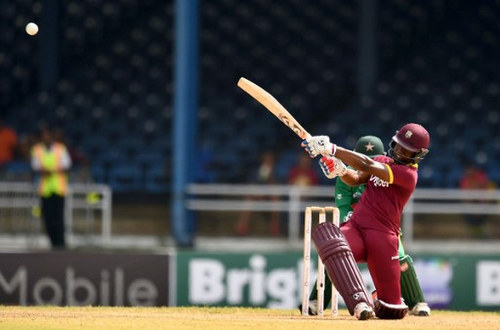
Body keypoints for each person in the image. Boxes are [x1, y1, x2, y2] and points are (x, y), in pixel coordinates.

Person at [301, 123, 430, 320]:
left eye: (407, 151)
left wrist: (332, 149)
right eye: (398, 146)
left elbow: (367, 165)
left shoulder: (408, 175)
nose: (399, 152)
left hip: (384, 238)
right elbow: (356, 179)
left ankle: (385, 301)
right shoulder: (381, 160)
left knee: (391, 311)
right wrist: (341, 169)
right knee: (330, 239)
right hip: (357, 227)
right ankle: (360, 302)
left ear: (418, 155)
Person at [30, 127, 72, 249]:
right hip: (45, 190)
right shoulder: (37, 150)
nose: (46, 138)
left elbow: (66, 165)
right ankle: (53, 243)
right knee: (48, 218)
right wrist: (47, 170)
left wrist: (50, 170)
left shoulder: (60, 148)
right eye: (44, 136)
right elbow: (36, 166)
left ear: (52, 137)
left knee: (58, 218)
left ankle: (61, 243)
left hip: (59, 189)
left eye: (48, 136)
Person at [235, 150, 281, 236]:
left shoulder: (278, 171)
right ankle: (241, 228)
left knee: (276, 198)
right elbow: (252, 184)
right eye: (266, 160)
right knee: (248, 201)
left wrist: (271, 176)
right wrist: (258, 192)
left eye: (270, 160)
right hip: (257, 196)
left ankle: (275, 227)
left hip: (270, 198)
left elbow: (278, 187)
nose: (268, 162)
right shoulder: (257, 171)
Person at [459, 163, 495, 238]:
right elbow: (465, 198)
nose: (469, 172)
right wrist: (472, 209)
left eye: (471, 170)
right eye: (467, 171)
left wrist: (481, 208)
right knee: (467, 213)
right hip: (471, 205)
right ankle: (474, 232)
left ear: (474, 170)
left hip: (482, 203)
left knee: (486, 209)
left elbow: (486, 195)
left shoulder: (481, 177)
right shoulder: (464, 180)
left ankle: (484, 231)